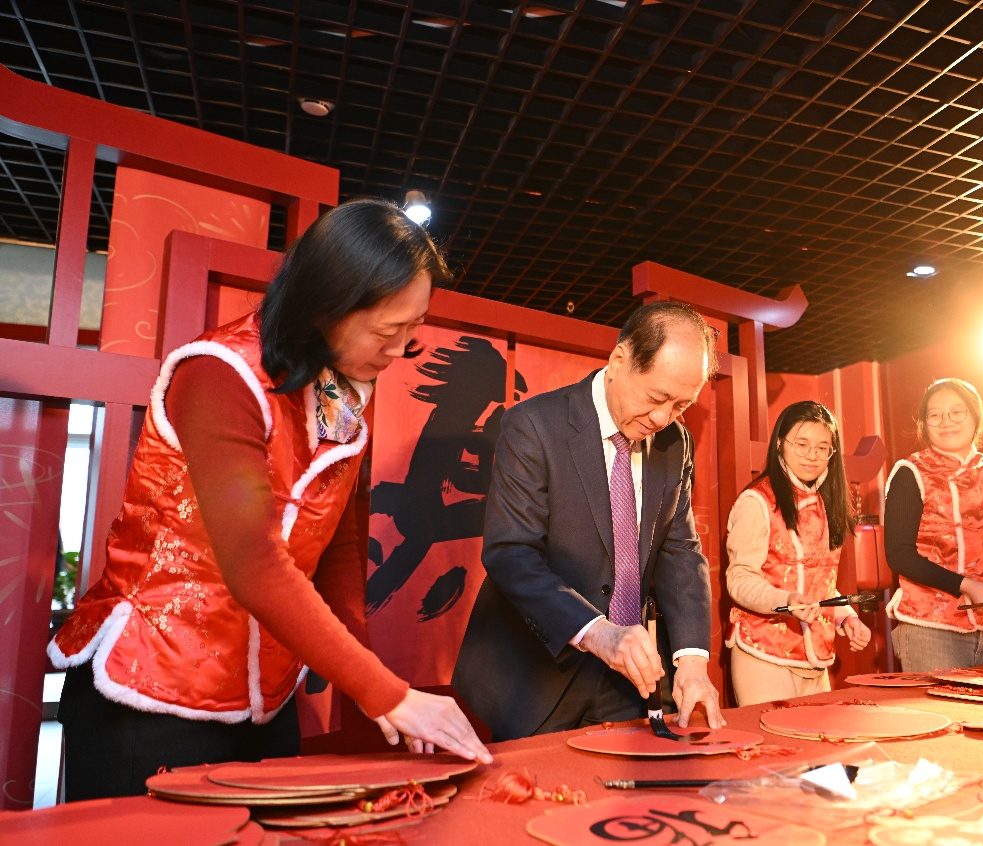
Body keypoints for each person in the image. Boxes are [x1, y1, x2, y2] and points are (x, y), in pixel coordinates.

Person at [49, 199, 491, 802]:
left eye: (414, 328)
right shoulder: (220, 374)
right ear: (325, 304)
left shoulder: (342, 391)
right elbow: (253, 561)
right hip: (150, 681)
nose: (400, 349)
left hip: (262, 692)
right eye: (388, 330)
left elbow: (338, 545)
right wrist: (386, 694)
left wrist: (369, 688)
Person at [452, 301, 725, 740]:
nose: (662, 419)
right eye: (656, 398)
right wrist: (598, 634)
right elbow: (512, 553)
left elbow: (680, 549)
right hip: (534, 677)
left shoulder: (675, 442)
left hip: (625, 683)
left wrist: (692, 661)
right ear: (619, 361)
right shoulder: (534, 426)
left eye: (681, 405)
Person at [882, 378, 983, 672]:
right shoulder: (910, 472)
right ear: (924, 423)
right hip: (930, 629)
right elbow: (899, 554)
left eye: (957, 412)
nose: (946, 422)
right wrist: (966, 586)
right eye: (935, 415)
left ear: (976, 416)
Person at [725, 401, 872, 706]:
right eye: (802, 444)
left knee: (821, 736)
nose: (812, 455)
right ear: (780, 443)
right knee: (773, 735)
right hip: (763, 649)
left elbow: (821, 584)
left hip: (814, 653)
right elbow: (739, 579)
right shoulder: (757, 500)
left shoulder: (827, 502)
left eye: (822, 448)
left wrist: (846, 618)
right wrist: (786, 601)